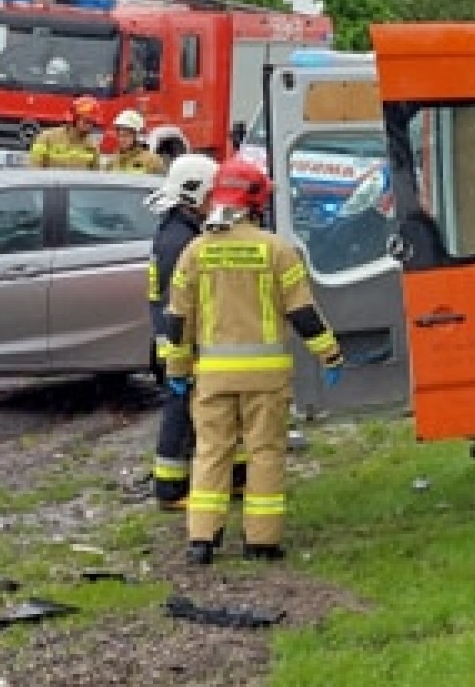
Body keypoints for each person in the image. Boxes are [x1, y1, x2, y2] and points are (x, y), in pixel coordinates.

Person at [165, 157, 343, 564]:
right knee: (265, 453)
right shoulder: (276, 250)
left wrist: (177, 370)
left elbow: (177, 321)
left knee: (211, 452)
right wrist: (330, 354)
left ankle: (202, 540)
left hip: (213, 378)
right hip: (266, 379)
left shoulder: (196, 251)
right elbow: (303, 314)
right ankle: (261, 542)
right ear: (257, 201)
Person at [145, 153, 219, 510]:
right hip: (178, 343)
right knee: (180, 414)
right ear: (195, 193)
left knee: (194, 411)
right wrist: (181, 352)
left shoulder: (178, 230)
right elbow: (179, 302)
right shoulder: (181, 241)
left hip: (174, 339)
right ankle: (170, 488)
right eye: (211, 195)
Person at [29, 96, 102, 169]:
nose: (89, 126)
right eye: (86, 121)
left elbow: (95, 173)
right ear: (74, 119)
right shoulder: (46, 138)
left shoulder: (92, 146)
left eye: (92, 122)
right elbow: (35, 167)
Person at [107, 109, 166, 174]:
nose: (122, 139)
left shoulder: (152, 161)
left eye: (126, 136)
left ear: (137, 136)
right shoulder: (113, 161)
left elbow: (160, 179)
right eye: (120, 135)